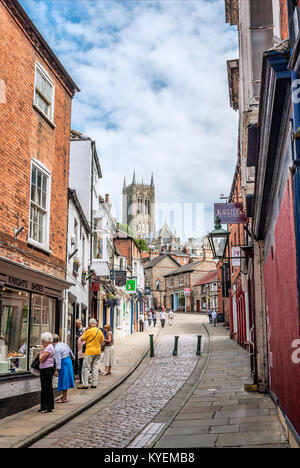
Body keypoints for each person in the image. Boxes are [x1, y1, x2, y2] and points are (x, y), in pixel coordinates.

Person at [77, 319, 104, 389]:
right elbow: (102, 343)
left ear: (90, 324)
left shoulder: (89, 331)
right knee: (95, 368)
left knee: (86, 368)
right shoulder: (100, 331)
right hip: (98, 351)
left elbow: (82, 339)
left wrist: (85, 331)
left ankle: (85, 384)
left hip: (89, 351)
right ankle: (94, 384)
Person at [53, 335, 75, 403]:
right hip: (68, 361)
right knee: (66, 379)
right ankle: (63, 396)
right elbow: (71, 352)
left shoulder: (56, 348)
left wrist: (57, 370)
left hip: (63, 362)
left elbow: (58, 360)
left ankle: (64, 398)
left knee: (64, 380)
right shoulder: (63, 344)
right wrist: (72, 358)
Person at [39, 332, 55, 414]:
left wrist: (40, 354)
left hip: (47, 369)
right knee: (45, 388)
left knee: (46, 388)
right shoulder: (48, 347)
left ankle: (47, 407)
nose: (42, 343)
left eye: (43, 341)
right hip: (45, 368)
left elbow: (41, 359)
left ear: (46, 341)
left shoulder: (49, 348)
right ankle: (44, 406)